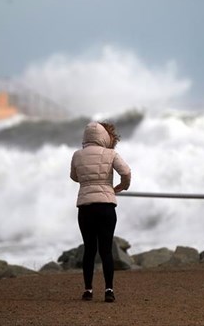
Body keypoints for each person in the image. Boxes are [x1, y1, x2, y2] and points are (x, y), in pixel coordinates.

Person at [70, 121, 131, 302]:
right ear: (104, 136)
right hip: (106, 207)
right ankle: (109, 291)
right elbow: (126, 172)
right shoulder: (111, 154)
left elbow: (74, 176)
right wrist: (119, 187)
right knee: (106, 250)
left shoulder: (77, 155)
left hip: (85, 207)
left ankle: (88, 290)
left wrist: (88, 183)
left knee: (89, 249)